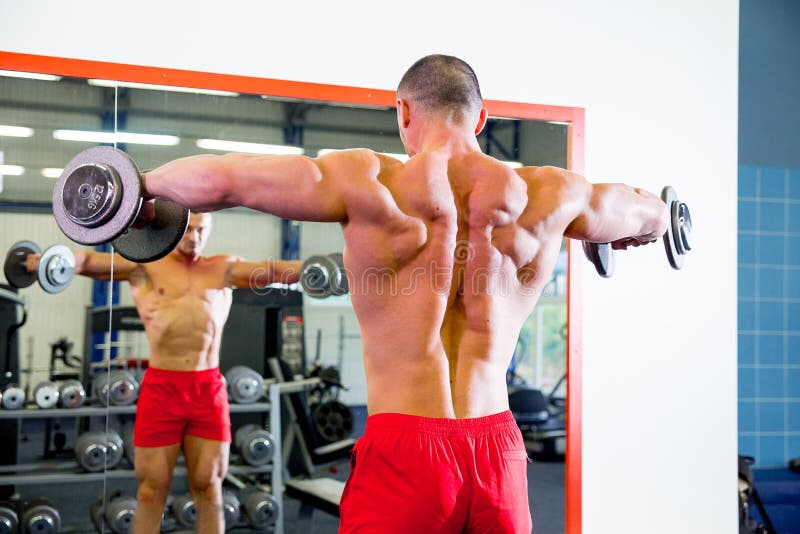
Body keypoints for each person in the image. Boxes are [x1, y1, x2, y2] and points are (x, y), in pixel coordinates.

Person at [119, 54, 668, 533]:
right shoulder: (553, 192)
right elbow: (643, 211)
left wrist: (135, 186)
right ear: (481, 116)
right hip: (499, 451)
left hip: (406, 451)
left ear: (404, 113)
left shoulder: (368, 181)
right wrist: (651, 224)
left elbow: (227, 179)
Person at [26, 212, 301, 534]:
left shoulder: (223, 268)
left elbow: (273, 271)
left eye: (201, 230)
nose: (194, 237)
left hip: (207, 390)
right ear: (172, 229)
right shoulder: (145, 267)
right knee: (150, 491)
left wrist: (323, 267)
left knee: (209, 487)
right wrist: (49, 260)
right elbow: (87, 261)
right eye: (187, 229)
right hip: (162, 389)